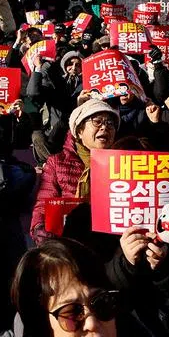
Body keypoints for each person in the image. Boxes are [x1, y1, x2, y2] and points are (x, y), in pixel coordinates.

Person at [31, 98, 117, 242]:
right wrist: (42, 233)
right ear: (80, 130)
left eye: (110, 123)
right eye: (97, 121)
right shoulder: (57, 163)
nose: (104, 127)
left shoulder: (124, 164)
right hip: (68, 242)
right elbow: (42, 206)